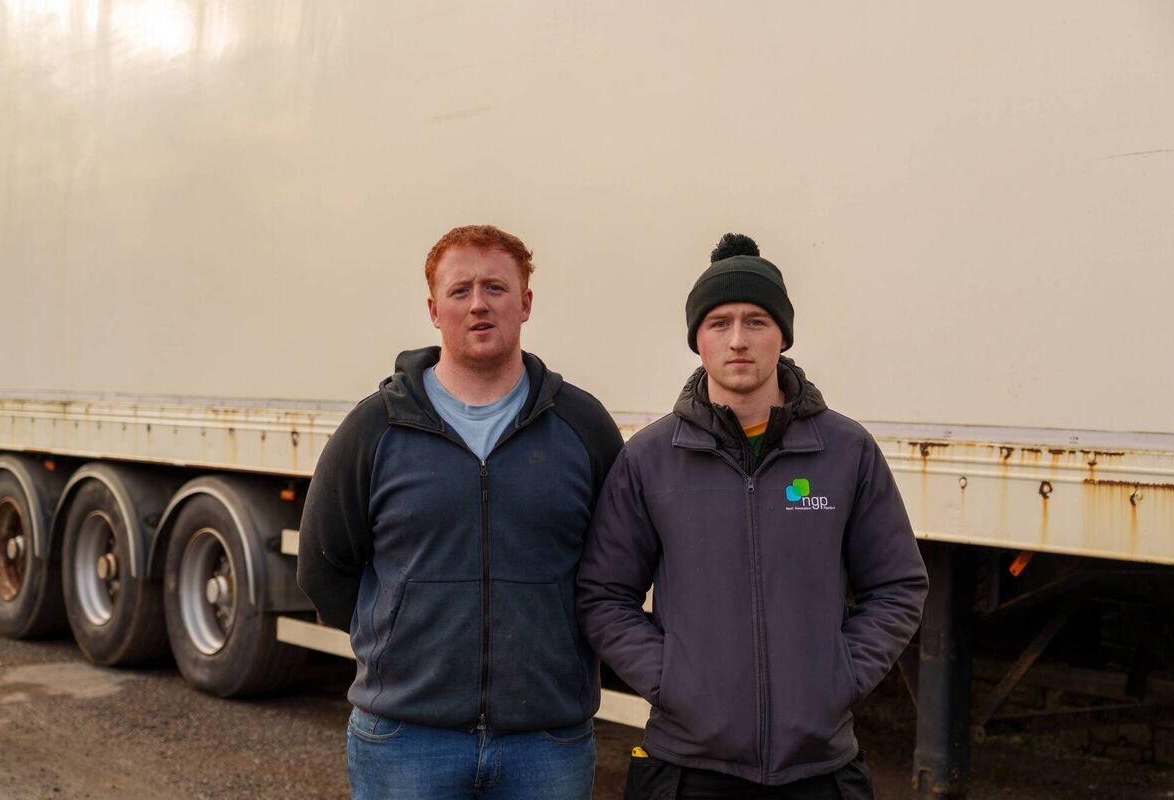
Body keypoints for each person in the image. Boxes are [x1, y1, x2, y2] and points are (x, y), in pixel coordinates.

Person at [577, 233, 928, 799]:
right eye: (719, 323)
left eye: (757, 321)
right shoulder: (649, 457)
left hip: (819, 770)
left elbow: (898, 585)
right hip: (688, 769)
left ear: (782, 336)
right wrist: (672, 680)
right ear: (698, 340)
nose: (738, 340)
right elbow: (602, 593)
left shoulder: (845, 450)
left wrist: (839, 676)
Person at [298, 224, 623, 800]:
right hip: (405, 738)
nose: (478, 304)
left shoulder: (582, 425)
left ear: (525, 303)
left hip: (546, 738)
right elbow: (326, 564)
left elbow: (618, 566)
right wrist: (401, 650)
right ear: (433, 309)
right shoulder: (375, 427)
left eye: (496, 288)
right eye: (460, 290)